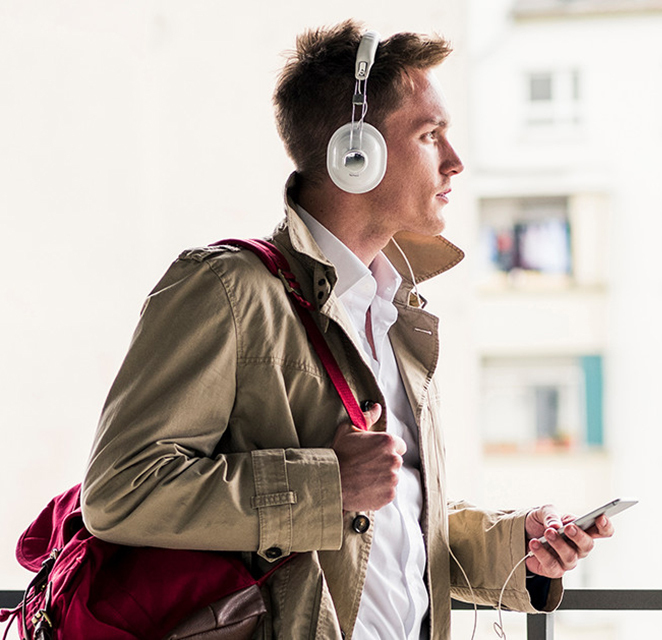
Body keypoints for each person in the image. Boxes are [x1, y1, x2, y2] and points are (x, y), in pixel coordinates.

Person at [80, 20, 614, 640]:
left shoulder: (395, 316)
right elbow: (122, 489)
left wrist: (517, 546)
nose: (455, 161)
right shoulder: (227, 288)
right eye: (429, 134)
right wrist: (325, 483)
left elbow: (385, 523)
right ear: (354, 155)